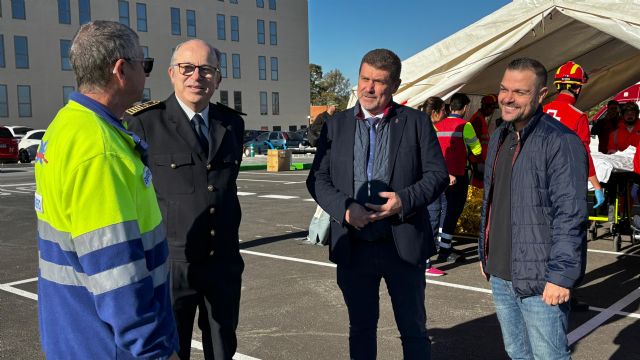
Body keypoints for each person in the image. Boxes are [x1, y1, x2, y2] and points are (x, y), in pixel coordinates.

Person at [34, 21, 179, 359]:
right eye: (145, 64)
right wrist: (156, 351)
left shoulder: (65, 125)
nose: (147, 73)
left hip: (72, 331)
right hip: (108, 345)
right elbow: (117, 275)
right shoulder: (100, 151)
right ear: (121, 70)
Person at [307, 48, 449, 359]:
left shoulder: (416, 122)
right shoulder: (337, 124)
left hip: (402, 243)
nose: (369, 88)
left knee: (413, 329)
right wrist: (345, 208)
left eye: (379, 82)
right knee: (360, 329)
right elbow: (317, 179)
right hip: (354, 245)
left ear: (395, 85)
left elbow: (437, 175)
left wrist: (404, 201)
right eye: (364, 79)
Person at [126, 39, 245, 360]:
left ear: (218, 78)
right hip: (171, 264)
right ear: (171, 74)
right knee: (171, 348)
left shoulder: (231, 123)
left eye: (207, 69)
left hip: (223, 261)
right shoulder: (144, 123)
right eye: (187, 68)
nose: (197, 76)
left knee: (222, 347)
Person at [479, 57, 588, 359]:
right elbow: (494, 200)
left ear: (541, 95)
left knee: (548, 357)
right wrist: (485, 249)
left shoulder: (560, 141)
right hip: (501, 273)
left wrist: (561, 277)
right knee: (517, 354)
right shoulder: (501, 135)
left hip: (541, 279)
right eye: (504, 89)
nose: (508, 98)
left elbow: (571, 213)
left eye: (520, 92)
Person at [543, 61, 604, 208]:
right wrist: (597, 186)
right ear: (577, 88)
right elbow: (584, 155)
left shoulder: (541, 111)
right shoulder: (578, 117)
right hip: (563, 182)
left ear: (558, 86)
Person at [431, 93, 481, 264]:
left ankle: (440, 245)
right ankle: (445, 249)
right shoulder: (465, 126)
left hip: (438, 176)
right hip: (458, 176)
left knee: (441, 211)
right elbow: (477, 151)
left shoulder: (438, 125)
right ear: (465, 107)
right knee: (452, 212)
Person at [420, 96, 448, 277]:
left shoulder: (428, 126)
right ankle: (425, 261)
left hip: (428, 180)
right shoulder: (427, 128)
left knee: (436, 212)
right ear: (435, 112)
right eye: (444, 110)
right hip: (427, 181)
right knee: (431, 215)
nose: (446, 113)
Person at [468, 94, 498, 188]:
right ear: (486, 107)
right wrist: (475, 164)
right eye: (492, 108)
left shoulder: (481, 119)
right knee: (475, 192)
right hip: (477, 164)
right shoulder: (477, 120)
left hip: (480, 163)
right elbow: (471, 143)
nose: (493, 111)